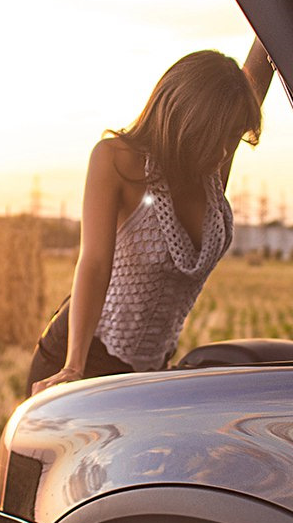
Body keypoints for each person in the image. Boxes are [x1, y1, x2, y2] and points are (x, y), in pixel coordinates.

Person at [28, 39, 274, 394]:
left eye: (233, 137)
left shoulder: (212, 166)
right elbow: (95, 263)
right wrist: (73, 367)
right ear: (186, 123)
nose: (225, 150)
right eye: (219, 137)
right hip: (81, 360)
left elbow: (258, 72)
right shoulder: (115, 159)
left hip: (150, 372)